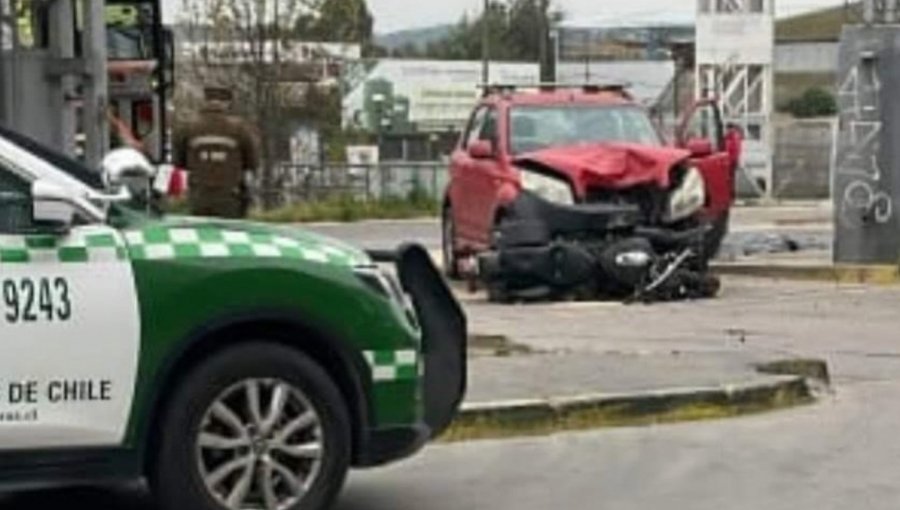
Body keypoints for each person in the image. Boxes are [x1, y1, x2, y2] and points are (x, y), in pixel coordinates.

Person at [173, 87, 259, 218]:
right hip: (230, 199)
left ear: (205, 101)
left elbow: (179, 162)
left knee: (202, 235)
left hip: (199, 198)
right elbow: (252, 163)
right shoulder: (239, 128)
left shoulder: (188, 127)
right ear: (227, 103)